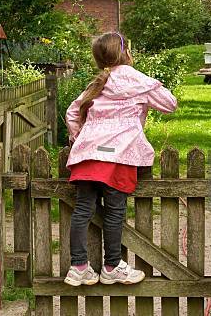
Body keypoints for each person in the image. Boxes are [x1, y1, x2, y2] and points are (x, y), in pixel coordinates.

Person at [63, 32, 178, 286]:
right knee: (114, 214)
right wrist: (150, 85)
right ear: (127, 53)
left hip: (88, 157)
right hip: (118, 157)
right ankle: (112, 265)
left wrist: (80, 138)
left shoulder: (97, 84)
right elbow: (170, 104)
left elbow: (72, 111)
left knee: (82, 211)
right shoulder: (137, 81)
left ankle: (79, 266)